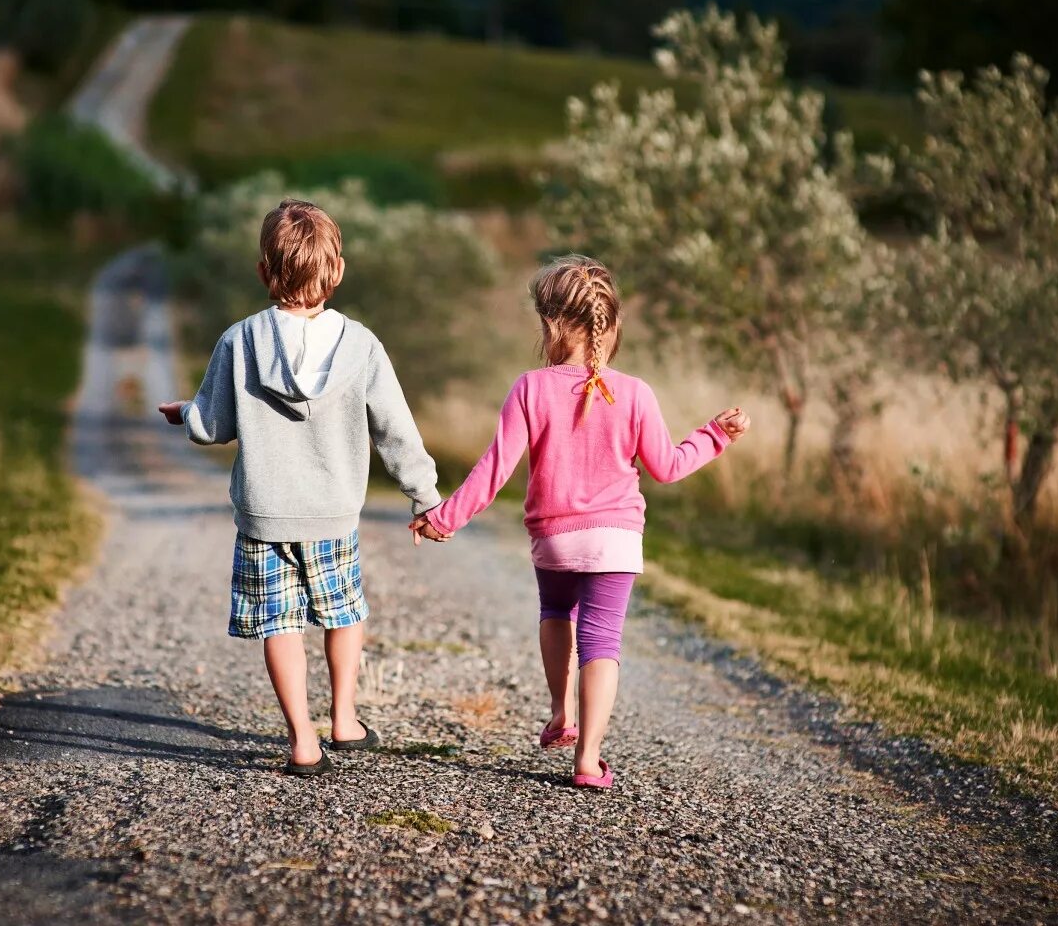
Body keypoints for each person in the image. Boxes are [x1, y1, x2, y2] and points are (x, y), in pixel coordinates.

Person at [410, 255, 748, 789]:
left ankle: (559, 711)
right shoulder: (636, 393)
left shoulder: (530, 387)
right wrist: (715, 435)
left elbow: (494, 469)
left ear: (549, 325)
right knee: (602, 642)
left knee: (555, 611)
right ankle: (588, 759)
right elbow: (667, 467)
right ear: (611, 328)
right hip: (615, 539)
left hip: (555, 539)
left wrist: (445, 517)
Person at [159, 199, 441, 776]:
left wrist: (186, 412)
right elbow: (395, 428)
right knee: (343, 611)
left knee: (279, 624)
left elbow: (212, 425)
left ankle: (303, 741)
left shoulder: (240, 341)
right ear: (336, 271)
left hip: (266, 513)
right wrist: (426, 496)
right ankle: (343, 718)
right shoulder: (360, 345)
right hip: (333, 513)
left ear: (264, 271)